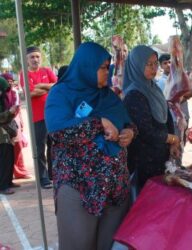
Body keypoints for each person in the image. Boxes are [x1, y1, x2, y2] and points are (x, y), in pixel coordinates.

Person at [45, 42, 135, 250]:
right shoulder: (61, 94)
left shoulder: (107, 95)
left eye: (107, 67)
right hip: (80, 188)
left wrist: (129, 132)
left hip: (115, 190)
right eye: (103, 68)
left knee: (108, 245)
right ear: (86, 66)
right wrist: (98, 123)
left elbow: (127, 121)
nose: (107, 73)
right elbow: (58, 131)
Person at [123, 45, 180, 190]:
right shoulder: (134, 94)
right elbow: (146, 131)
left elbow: (167, 117)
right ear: (137, 65)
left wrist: (173, 142)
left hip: (161, 156)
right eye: (149, 64)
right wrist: (172, 138)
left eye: (155, 64)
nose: (154, 68)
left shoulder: (154, 88)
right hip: (144, 161)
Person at [20, 46, 57, 189]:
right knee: (40, 148)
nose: (35, 59)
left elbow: (57, 86)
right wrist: (47, 87)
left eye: (37, 56)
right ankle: (43, 178)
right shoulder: (24, 73)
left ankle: (53, 174)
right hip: (37, 117)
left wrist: (39, 85)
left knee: (53, 145)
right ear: (27, 60)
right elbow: (30, 93)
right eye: (32, 57)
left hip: (52, 115)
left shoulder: (47, 70)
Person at [1, 73, 30, 179]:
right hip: (5, 126)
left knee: (17, 148)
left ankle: (17, 173)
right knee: (7, 152)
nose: (9, 84)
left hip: (13, 123)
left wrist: (20, 122)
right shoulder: (3, 94)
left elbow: (17, 108)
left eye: (11, 81)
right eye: (7, 82)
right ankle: (8, 178)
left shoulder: (13, 92)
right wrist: (9, 113)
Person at [0, 77, 20, 195]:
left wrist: (11, 113)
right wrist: (9, 112)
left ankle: (8, 181)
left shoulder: (3, 99)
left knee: (9, 157)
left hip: (6, 132)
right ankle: (3, 185)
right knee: (4, 159)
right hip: (2, 134)